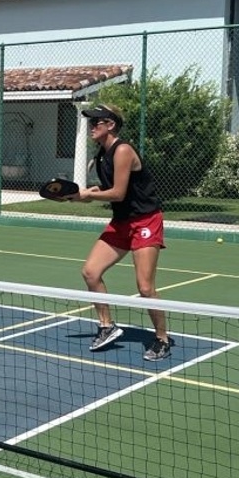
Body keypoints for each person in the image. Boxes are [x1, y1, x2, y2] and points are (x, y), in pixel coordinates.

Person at [68, 103, 174, 361]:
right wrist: (83, 194)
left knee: (145, 287)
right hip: (121, 222)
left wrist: (87, 197)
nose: (92, 127)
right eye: (91, 122)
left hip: (145, 222)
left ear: (111, 125)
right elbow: (106, 189)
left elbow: (118, 193)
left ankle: (162, 338)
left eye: (97, 122)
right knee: (91, 272)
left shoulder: (122, 150)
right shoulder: (101, 155)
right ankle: (107, 326)